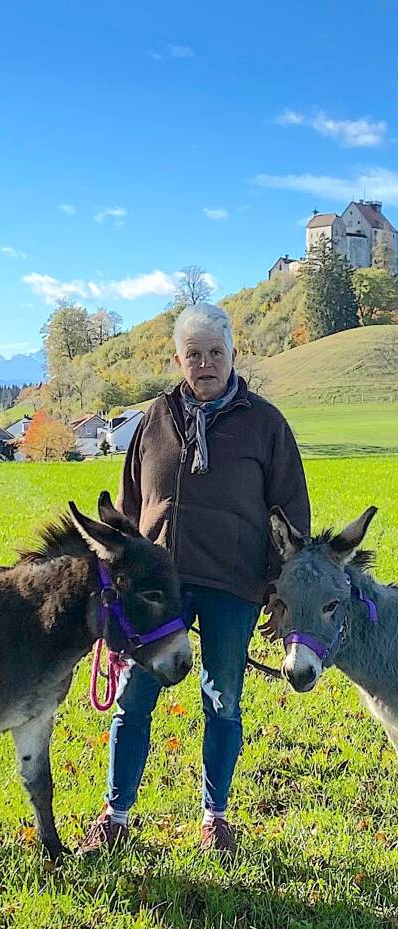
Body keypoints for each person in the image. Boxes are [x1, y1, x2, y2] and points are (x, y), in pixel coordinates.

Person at [79, 303, 310, 856]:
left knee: (222, 700)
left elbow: (291, 517)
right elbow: (131, 510)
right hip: (161, 591)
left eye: (215, 353)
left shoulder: (266, 424)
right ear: (178, 358)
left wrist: (281, 592)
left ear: (234, 354)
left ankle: (215, 815)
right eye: (194, 354)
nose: (205, 364)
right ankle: (116, 816)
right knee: (134, 699)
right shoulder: (155, 420)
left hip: (234, 586)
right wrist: (118, 586)